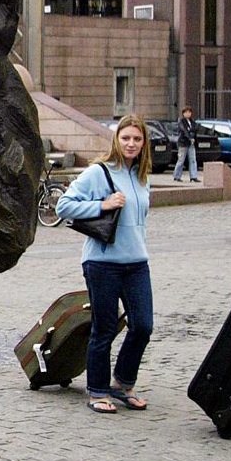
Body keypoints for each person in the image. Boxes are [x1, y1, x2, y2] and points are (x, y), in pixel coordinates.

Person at [56, 115, 154, 414]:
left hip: (137, 262)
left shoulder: (141, 175)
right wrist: (103, 204)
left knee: (143, 325)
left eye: (137, 139)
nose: (131, 144)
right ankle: (98, 390)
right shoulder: (99, 172)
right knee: (105, 328)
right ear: (116, 139)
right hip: (102, 263)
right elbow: (63, 206)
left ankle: (122, 383)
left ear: (144, 143)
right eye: (126, 138)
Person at [172, 106, 199, 183]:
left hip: (191, 143)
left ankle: (193, 177)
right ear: (183, 113)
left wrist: (193, 138)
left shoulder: (192, 122)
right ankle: (176, 176)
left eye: (189, 112)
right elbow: (184, 131)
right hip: (183, 143)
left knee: (193, 160)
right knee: (181, 160)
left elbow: (195, 130)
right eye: (186, 112)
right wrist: (190, 137)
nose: (188, 114)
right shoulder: (181, 121)